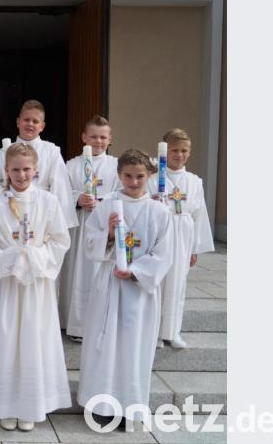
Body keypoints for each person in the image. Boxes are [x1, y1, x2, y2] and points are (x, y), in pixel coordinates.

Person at [0, 143, 72, 432]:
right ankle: (5, 404)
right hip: (5, 283)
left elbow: (59, 240)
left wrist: (35, 257)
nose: (21, 174)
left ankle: (30, 403)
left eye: (27, 169)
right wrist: (9, 259)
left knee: (33, 339)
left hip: (35, 285)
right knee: (4, 339)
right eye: (15, 169)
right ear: (6, 171)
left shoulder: (48, 202)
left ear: (36, 170)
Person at [77, 149, 173, 426]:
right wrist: (107, 234)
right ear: (118, 175)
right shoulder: (107, 204)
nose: (133, 181)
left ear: (150, 176)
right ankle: (100, 402)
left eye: (139, 176)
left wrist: (134, 272)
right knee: (104, 344)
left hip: (139, 291)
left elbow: (164, 253)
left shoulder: (159, 211)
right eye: (128, 176)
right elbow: (89, 242)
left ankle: (129, 405)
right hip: (109, 285)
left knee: (134, 346)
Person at [147, 129, 214, 348]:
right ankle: (155, 332)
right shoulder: (152, 179)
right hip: (161, 234)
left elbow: (199, 215)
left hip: (183, 235)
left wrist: (195, 247)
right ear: (165, 150)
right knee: (159, 281)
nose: (180, 155)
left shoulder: (194, 181)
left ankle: (172, 331)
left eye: (184, 150)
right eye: (175, 150)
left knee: (178, 283)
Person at [59, 115, 121, 341]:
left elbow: (121, 194)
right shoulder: (71, 165)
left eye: (103, 137)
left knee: (97, 274)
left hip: (103, 228)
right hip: (79, 226)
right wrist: (77, 199)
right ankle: (72, 322)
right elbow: (60, 193)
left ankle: (97, 324)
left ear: (110, 139)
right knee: (76, 274)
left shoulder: (116, 166)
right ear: (84, 137)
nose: (98, 141)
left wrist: (102, 202)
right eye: (93, 136)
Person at [0, 100, 77, 229]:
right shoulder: (3, 153)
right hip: (10, 213)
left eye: (35, 121)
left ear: (42, 126)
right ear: (18, 122)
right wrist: (6, 196)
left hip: (42, 213)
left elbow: (60, 188)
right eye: (26, 120)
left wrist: (56, 223)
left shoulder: (51, 152)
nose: (30, 124)